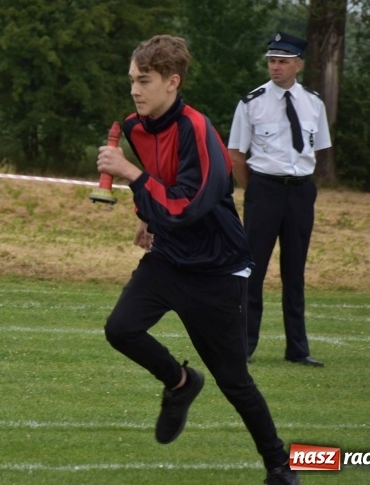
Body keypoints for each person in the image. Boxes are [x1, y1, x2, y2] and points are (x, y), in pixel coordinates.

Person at [98, 34, 299, 485]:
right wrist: (144, 214)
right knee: (121, 329)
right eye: (132, 79)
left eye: (144, 81)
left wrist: (131, 177)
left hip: (216, 270)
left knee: (235, 381)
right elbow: (159, 188)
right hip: (169, 258)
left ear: (172, 82)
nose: (134, 89)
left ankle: (279, 466)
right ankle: (181, 383)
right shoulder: (134, 127)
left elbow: (187, 206)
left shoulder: (199, 130)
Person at [228, 32, 332, 367]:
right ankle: (243, 345)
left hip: (301, 192)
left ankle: (298, 349)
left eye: (283, 61)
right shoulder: (252, 102)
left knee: (295, 270)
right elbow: (235, 154)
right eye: (272, 61)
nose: (276, 67)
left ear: (298, 65)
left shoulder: (313, 103)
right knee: (252, 269)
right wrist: (255, 189)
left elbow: (317, 148)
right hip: (264, 190)